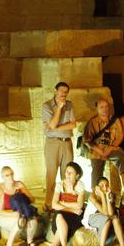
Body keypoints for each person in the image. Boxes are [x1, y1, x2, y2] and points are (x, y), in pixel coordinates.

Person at [42, 81, 76, 209]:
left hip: (66, 142)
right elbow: (51, 125)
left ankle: (65, 203)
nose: (64, 93)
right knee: (51, 174)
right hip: (53, 143)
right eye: (61, 91)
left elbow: (73, 124)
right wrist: (60, 108)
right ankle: (49, 204)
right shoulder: (47, 106)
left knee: (67, 174)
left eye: (66, 92)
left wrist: (57, 127)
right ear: (56, 91)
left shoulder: (70, 105)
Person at [83, 98, 124, 188]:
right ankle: (96, 193)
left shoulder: (115, 120)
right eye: (102, 107)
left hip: (111, 149)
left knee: (121, 158)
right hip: (97, 151)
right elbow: (87, 140)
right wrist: (100, 151)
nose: (105, 109)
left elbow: (120, 136)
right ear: (97, 109)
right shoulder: (93, 122)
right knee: (96, 169)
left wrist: (110, 148)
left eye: (106, 106)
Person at [0, 166, 37, 246]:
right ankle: (9, 245)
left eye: (11, 174)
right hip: (7, 215)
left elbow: (32, 199)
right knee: (19, 220)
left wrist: (23, 196)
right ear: (3, 177)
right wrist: (15, 214)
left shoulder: (19, 184)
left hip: (22, 212)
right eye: (7, 175)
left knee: (33, 220)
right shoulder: (1, 190)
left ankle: (29, 243)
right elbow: (0, 212)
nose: (10, 177)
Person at [83, 176, 124, 246]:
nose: (105, 188)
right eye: (102, 186)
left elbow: (110, 213)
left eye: (107, 185)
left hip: (104, 216)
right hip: (92, 217)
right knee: (107, 219)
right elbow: (105, 213)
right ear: (97, 188)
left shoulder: (110, 195)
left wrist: (107, 197)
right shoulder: (92, 197)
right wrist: (102, 195)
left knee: (115, 219)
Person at [50, 161, 85, 246]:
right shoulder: (59, 185)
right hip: (64, 213)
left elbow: (79, 205)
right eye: (66, 171)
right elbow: (54, 205)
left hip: (74, 217)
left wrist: (63, 203)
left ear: (77, 175)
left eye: (71, 172)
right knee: (59, 216)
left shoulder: (80, 185)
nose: (67, 174)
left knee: (60, 221)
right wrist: (72, 208)